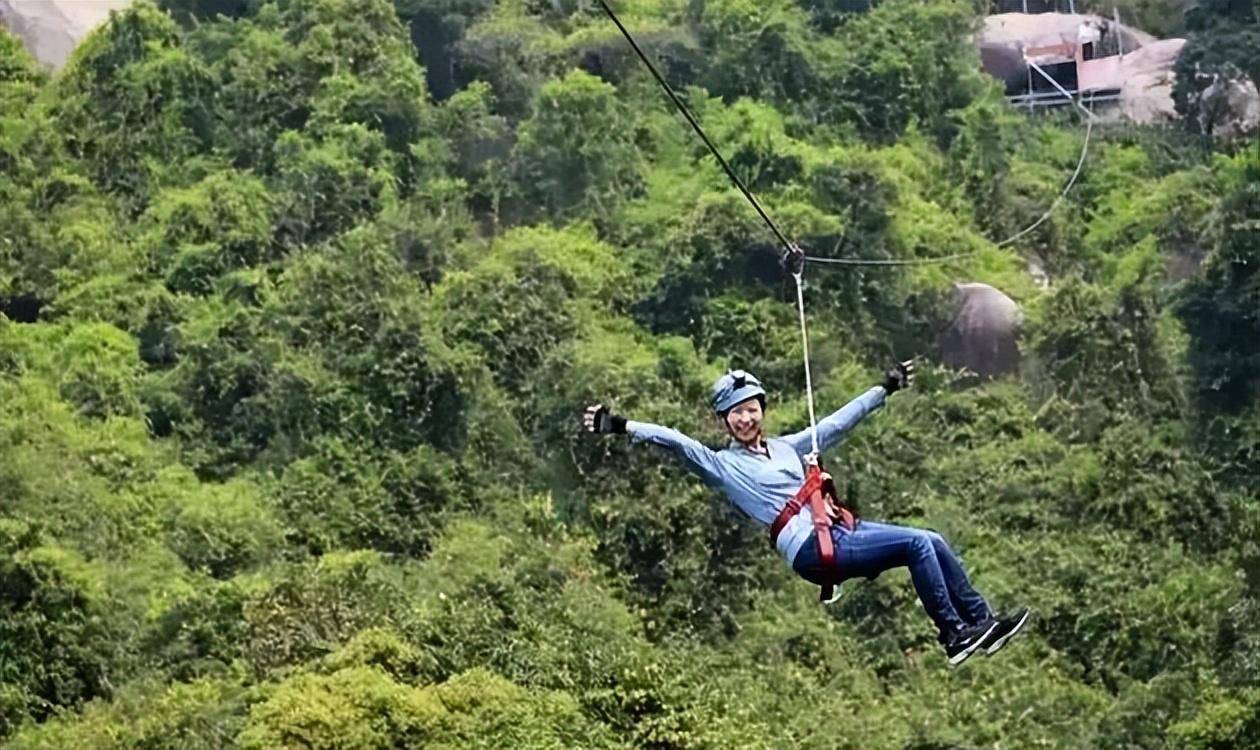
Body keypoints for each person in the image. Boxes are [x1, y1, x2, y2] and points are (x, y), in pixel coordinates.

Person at [583, 363, 1029, 666]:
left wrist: (884, 388)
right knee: (915, 544)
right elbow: (675, 441)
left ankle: (981, 623)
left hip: (837, 530)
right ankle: (954, 634)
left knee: (931, 539)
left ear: (762, 408)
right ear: (724, 421)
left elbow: (836, 423)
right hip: (814, 549)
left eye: (751, 408)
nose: (745, 417)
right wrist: (620, 425)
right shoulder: (722, 465)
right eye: (735, 413)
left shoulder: (786, 447)